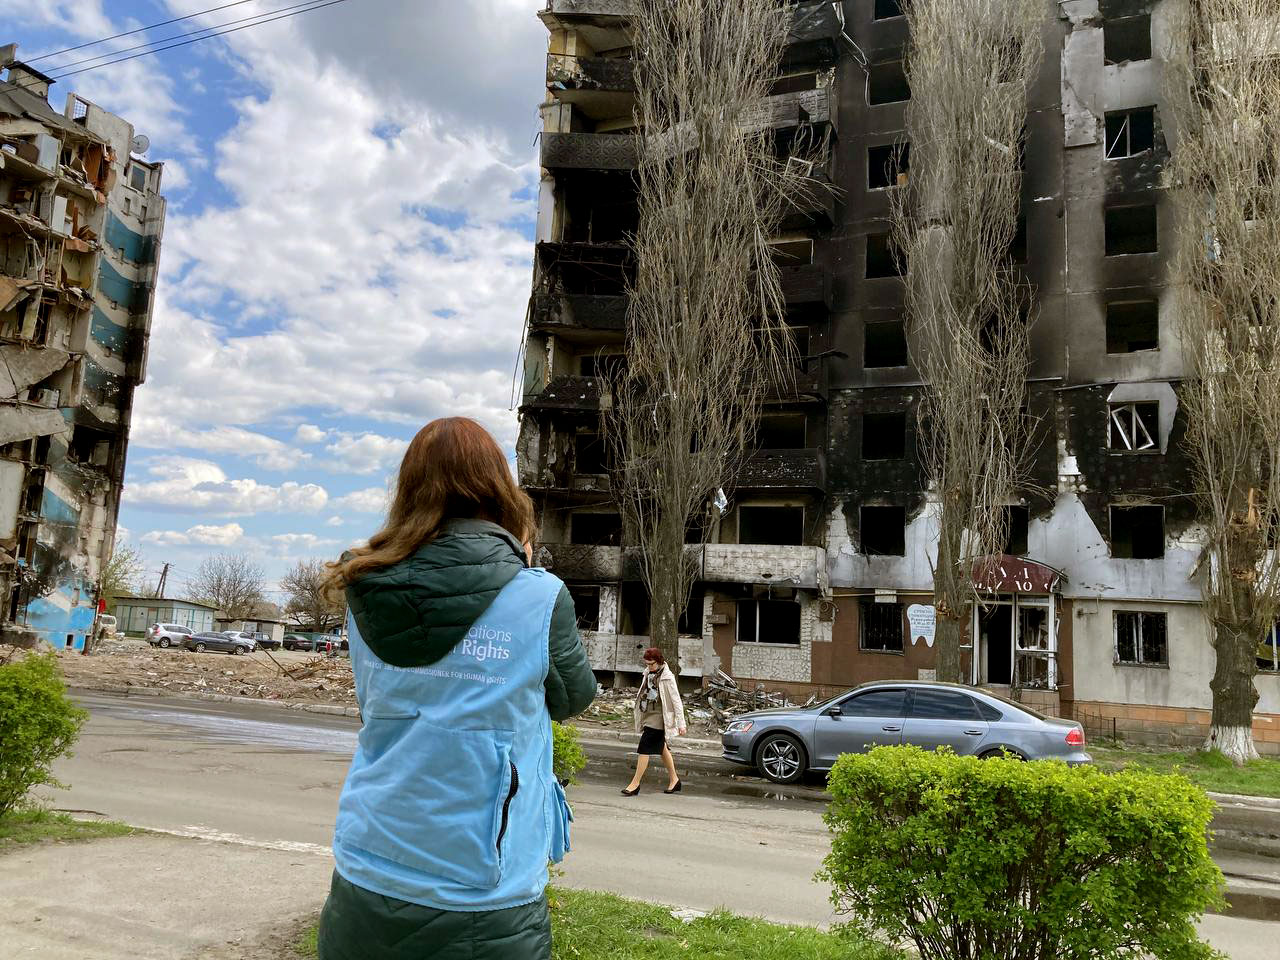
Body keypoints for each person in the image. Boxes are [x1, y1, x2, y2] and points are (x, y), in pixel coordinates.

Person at [316, 417, 597, 960]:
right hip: (485, 894)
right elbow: (572, 698)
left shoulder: (364, 591)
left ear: (408, 492)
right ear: (498, 489)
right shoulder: (537, 595)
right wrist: (521, 566)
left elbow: (380, 704)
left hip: (366, 865)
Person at [622, 647, 687, 796]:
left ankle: (635, 783)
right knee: (662, 747)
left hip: (659, 716)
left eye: (651, 664)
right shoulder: (647, 673)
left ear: (659, 662)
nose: (649, 667)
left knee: (644, 746)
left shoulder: (667, 677)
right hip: (648, 714)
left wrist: (681, 724)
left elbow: (676, 701)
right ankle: (674, 779)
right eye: (647, 664)